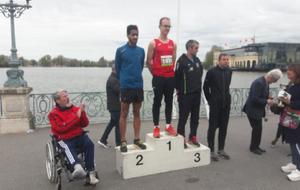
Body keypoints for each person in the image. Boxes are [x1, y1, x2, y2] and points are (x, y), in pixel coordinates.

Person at [48, 89, 99, 185]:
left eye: (67, 95)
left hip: (78, 135)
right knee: (67, 147)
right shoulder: (53, 114)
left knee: (89, 144)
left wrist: (82, 112)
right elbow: (61, 128)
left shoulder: (74, 109)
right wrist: (76, 117)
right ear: (58, 100)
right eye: (64, 96)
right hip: (64, 138)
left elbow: (85, 123)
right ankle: (77, 167)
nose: (67, 98)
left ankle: (91, 173)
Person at [115, 25, 146, 153]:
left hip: (138, 86)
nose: (135, 37)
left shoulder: (141, 51)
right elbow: (118, 69)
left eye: (137, 34)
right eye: (133, 34)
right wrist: (124, 80)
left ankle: (137, 139)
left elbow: (140, 66)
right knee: (124, 113)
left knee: (137, 113)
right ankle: (123, 140)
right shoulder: (120, 50)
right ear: (128, 35)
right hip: (126, 86)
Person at [146, 17, 177, 138]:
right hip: (158, 77)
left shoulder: (173, 44)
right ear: (159, 26)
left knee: (169, 102)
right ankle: (156, 127)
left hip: (170, 77)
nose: (167, 28)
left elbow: (173, 60)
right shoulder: (153, 43)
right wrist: (155, 74)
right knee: (157, 102)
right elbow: (148, 62)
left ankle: (168, 125)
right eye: (165, 26)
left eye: (169, 26)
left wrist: (169, 72)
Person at [243, 69, 282, 155]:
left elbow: (262, 95)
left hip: (258, 110)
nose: (275, 82)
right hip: (252, 110)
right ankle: (253, 148)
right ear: (271, 77)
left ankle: (256, 146)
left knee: (258, 129)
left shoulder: (265, 82)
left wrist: (268, 97)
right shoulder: (259, 83)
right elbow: (254, 99)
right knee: (257, 129)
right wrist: (267, 101)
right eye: (275, 80)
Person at [203, 53, 232, 161]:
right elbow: (205, 87)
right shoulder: (211, 72)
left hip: (226, 104)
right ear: (218, 61)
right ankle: (211, 150)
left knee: (224, 127)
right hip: (215, 104)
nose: (226, 61)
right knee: (213, 127)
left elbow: (227, 86)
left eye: (227, 59)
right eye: (224, 59)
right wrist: (210, 100)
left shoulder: (229, 71)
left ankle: (221, 149)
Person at [175, 40, 203, 148]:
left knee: (195, 118)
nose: (197, 50)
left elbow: (200, 73)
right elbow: (176, 77)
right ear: (190, 48)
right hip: (185, 95)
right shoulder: (181, 61)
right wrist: (179, 91)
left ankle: (193, 137)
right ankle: (181, 138)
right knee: (183, 118)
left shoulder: (197, 60)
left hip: (196, 94)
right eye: (196, 48)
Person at [279, 64, 300, 181]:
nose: (288, 73)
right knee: (292, 141)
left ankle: (299, 169)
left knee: (297, 143)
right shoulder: (292, 84)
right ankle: (294, 164)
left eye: (290, 71)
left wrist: (289, 102)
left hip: (298, 117)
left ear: (297, 72)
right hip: (290, 116)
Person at [98, 64, 121, 148]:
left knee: (112, 123)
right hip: (115, 106)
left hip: (114, 106)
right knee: (118, 125)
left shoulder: (114, 78)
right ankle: (118, 144)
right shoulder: (113, 80)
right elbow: (119, 90)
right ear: (115, 70)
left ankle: (103, 140)